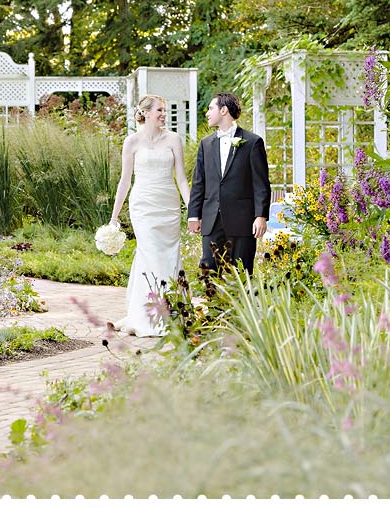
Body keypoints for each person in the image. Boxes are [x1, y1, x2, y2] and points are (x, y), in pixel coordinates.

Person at [108, 94, 191, 337]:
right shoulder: (131, 142)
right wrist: (114, 217)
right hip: (143, 206)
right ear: (145, 113)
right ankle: (147, 315)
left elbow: (182, 179)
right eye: (159, 110)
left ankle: (172, 312)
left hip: (168, 206)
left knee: (169, 255)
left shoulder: (174, 140)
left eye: (165, 110)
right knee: (149, 253)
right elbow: (125, 181)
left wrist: (191, 209)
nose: (164, 114)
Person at [187, 92, 271, 275]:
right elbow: (199, 182)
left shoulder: (252, 142)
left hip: (242, 220)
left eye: (211, 108)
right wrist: (193, 215)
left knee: (242, 272)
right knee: (208, 269)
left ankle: (240, 304)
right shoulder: (205, 144)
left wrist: (261, 216)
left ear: (224, 110)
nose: (207, 113)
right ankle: (213, 304)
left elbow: (261, 184)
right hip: (211, 219)